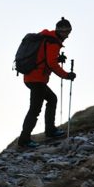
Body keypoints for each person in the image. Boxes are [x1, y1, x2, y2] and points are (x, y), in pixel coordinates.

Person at [17, 17, 76, 148]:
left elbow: (46, 59)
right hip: (37, 79)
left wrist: (57, 57)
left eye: (69, 32)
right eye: (66, 32)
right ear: (60, 31)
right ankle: (25, 139)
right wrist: (66, 75)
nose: (67, 35)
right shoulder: (53, 42)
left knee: (51, 99)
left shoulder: (46, 38)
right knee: (35, 109)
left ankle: (49, 130)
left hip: (31, 77)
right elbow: (52, 64)